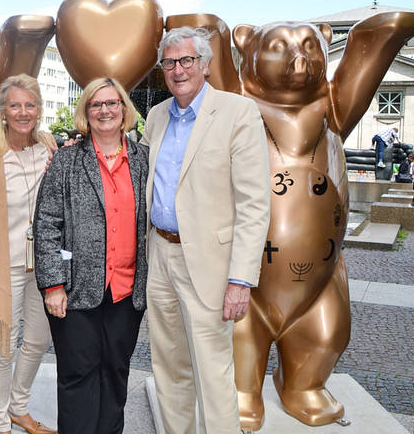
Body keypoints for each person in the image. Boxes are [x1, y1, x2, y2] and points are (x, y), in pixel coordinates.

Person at [141, 27, 270, 433]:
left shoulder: (238, 112)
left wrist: (240, 280)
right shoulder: (157, 116)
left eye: (187, 61)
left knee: (214, 374)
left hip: (211, 265)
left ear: (206, 65)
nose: (178, 70)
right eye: (170, 62)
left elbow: (254, 203)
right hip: (160, 257)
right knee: (169, 366)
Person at [34, 77, 148, 434]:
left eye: (112, 103)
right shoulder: (66, 161)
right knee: (78, 374)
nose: (105, 111)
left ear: (124, 109)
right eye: (96, 104)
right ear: (86, 112)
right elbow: (46, 224)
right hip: (74, 290)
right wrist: (53, 284)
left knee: (115, 373)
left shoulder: (144, 159)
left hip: (126, 292)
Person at [0, 74, 57, 434]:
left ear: (39, 109)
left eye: (30, 104)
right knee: (2, 345)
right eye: (15, 105)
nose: (23, 112)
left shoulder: (48, 145)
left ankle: (20, 408)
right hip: (3, 268)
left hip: (46, 266)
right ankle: (1, 423)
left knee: (38, 340)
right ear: (3, 111)